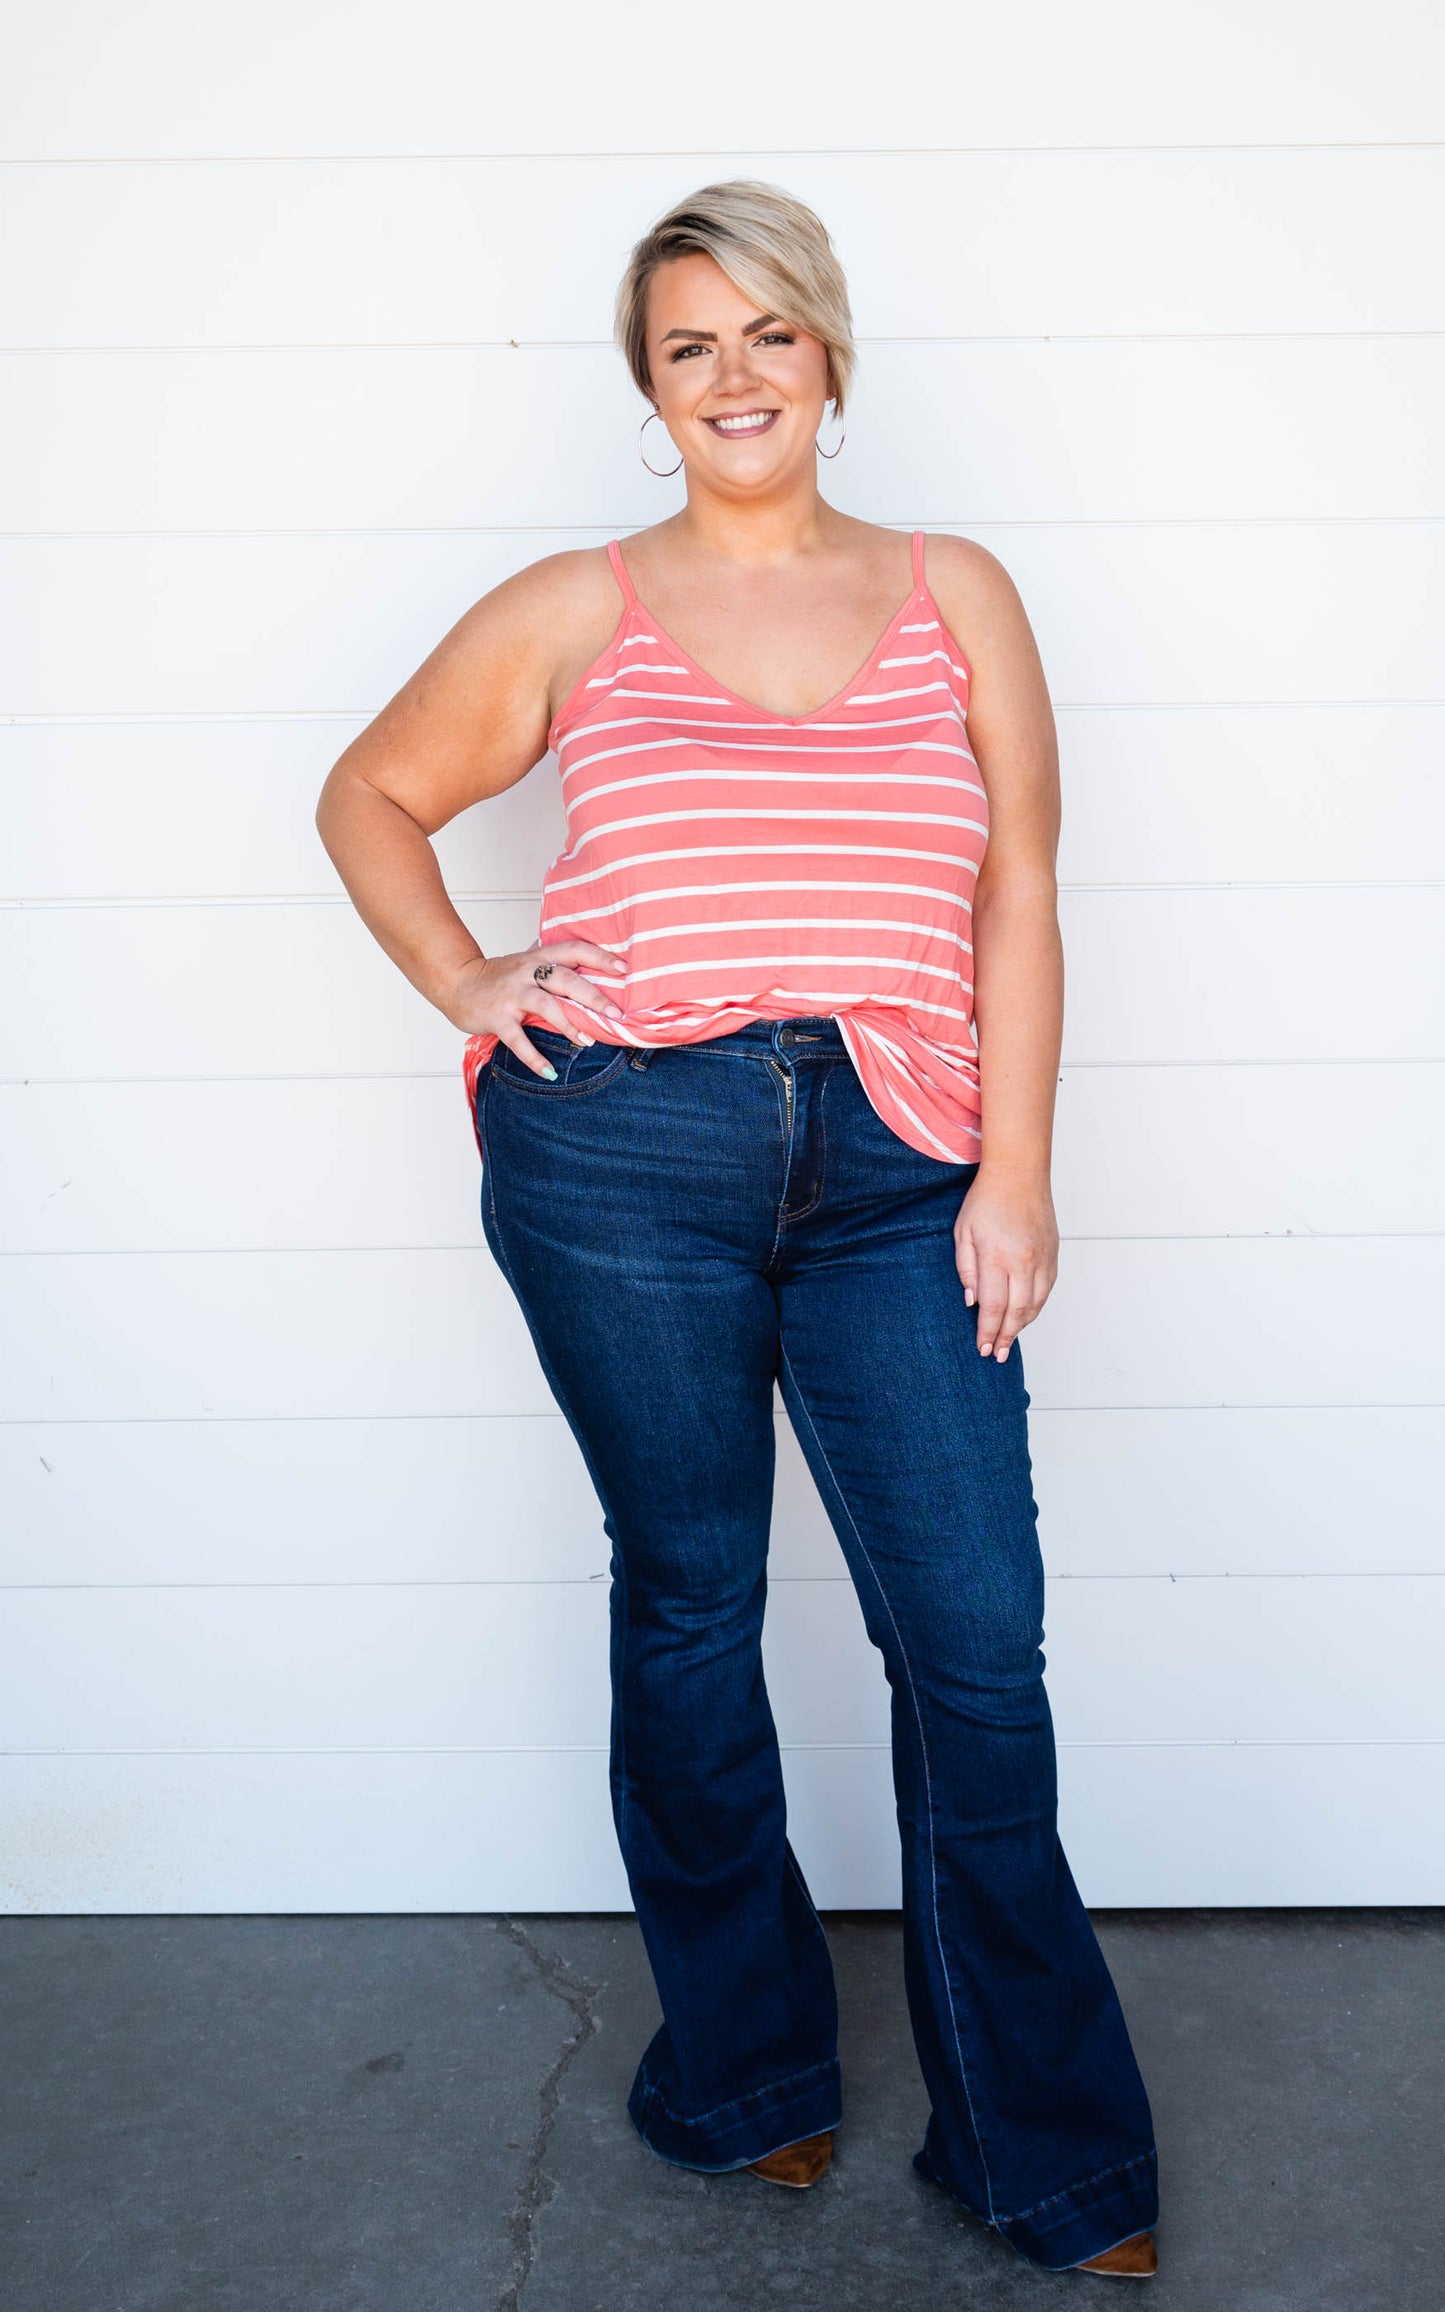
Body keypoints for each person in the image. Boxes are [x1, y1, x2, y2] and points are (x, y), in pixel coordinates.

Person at [315, 178, 1159, 2280]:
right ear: (649, 387)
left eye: (768, 334)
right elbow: (369, 792)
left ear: (831, 357)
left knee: (975, 1646)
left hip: (902, 1165)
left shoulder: (956, 588)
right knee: (689, 1606)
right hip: (627, 1159)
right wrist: (470, 985)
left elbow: (1021, 894)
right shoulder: (578, 607)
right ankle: (744, 2078)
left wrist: (1021, 1170)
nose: (735, 376)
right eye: (690, 346)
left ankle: (1047, 2154)